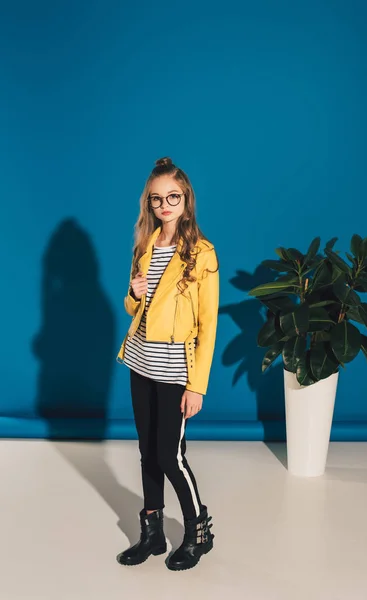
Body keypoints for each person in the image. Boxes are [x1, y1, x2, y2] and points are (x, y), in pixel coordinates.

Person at [115, 156, 219, 571]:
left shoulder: (202, 252)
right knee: (146, 450)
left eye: (172, 196)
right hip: (140, 362)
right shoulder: (145, 246)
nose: (164, 204)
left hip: (176, 369)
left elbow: (207, 326)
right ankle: (152, 533)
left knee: (169, 455)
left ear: (185, 199)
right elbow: (132, 306)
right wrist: (134, 293)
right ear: (149, 203)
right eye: (156, 198)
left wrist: (198, 385)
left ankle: (198, 532)